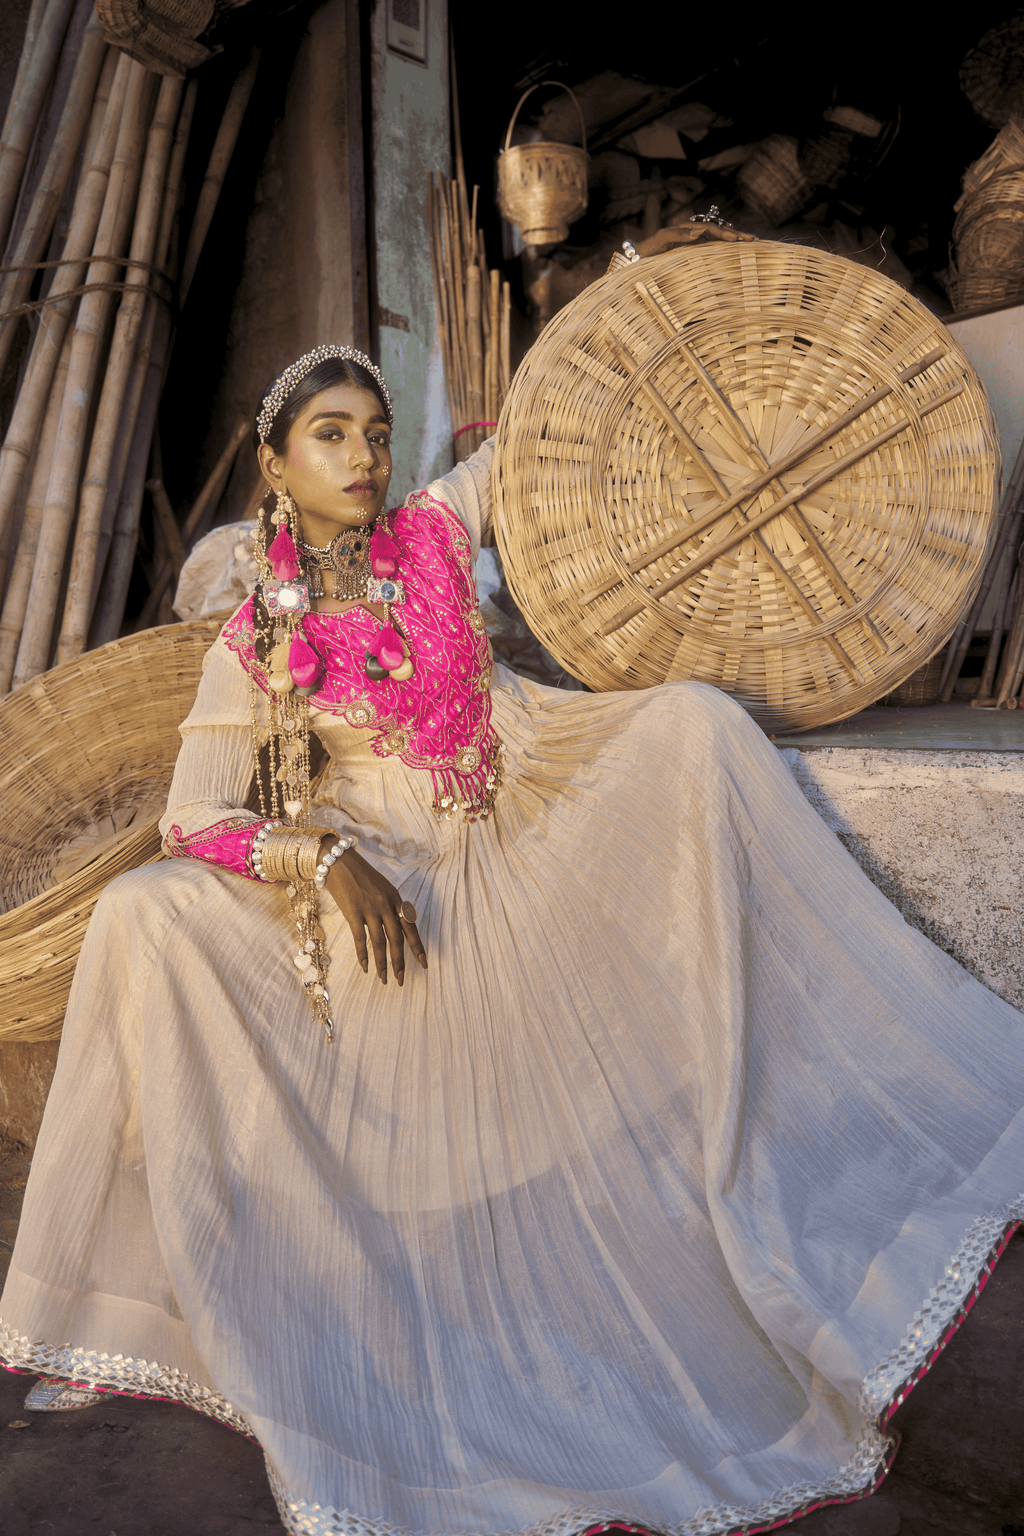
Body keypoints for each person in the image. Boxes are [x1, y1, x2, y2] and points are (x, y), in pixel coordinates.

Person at [2, 336, 1022, 1536]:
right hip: (384, 853)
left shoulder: (433, 532)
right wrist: (323, 858)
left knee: (693, 727)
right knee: (140, 912)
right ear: (275, 466)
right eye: (331, 434)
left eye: (377, 432)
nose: (366, 455)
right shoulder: (256, 643)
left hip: (520, 794)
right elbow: (192, 816)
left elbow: (541, 438)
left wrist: (644, 317)